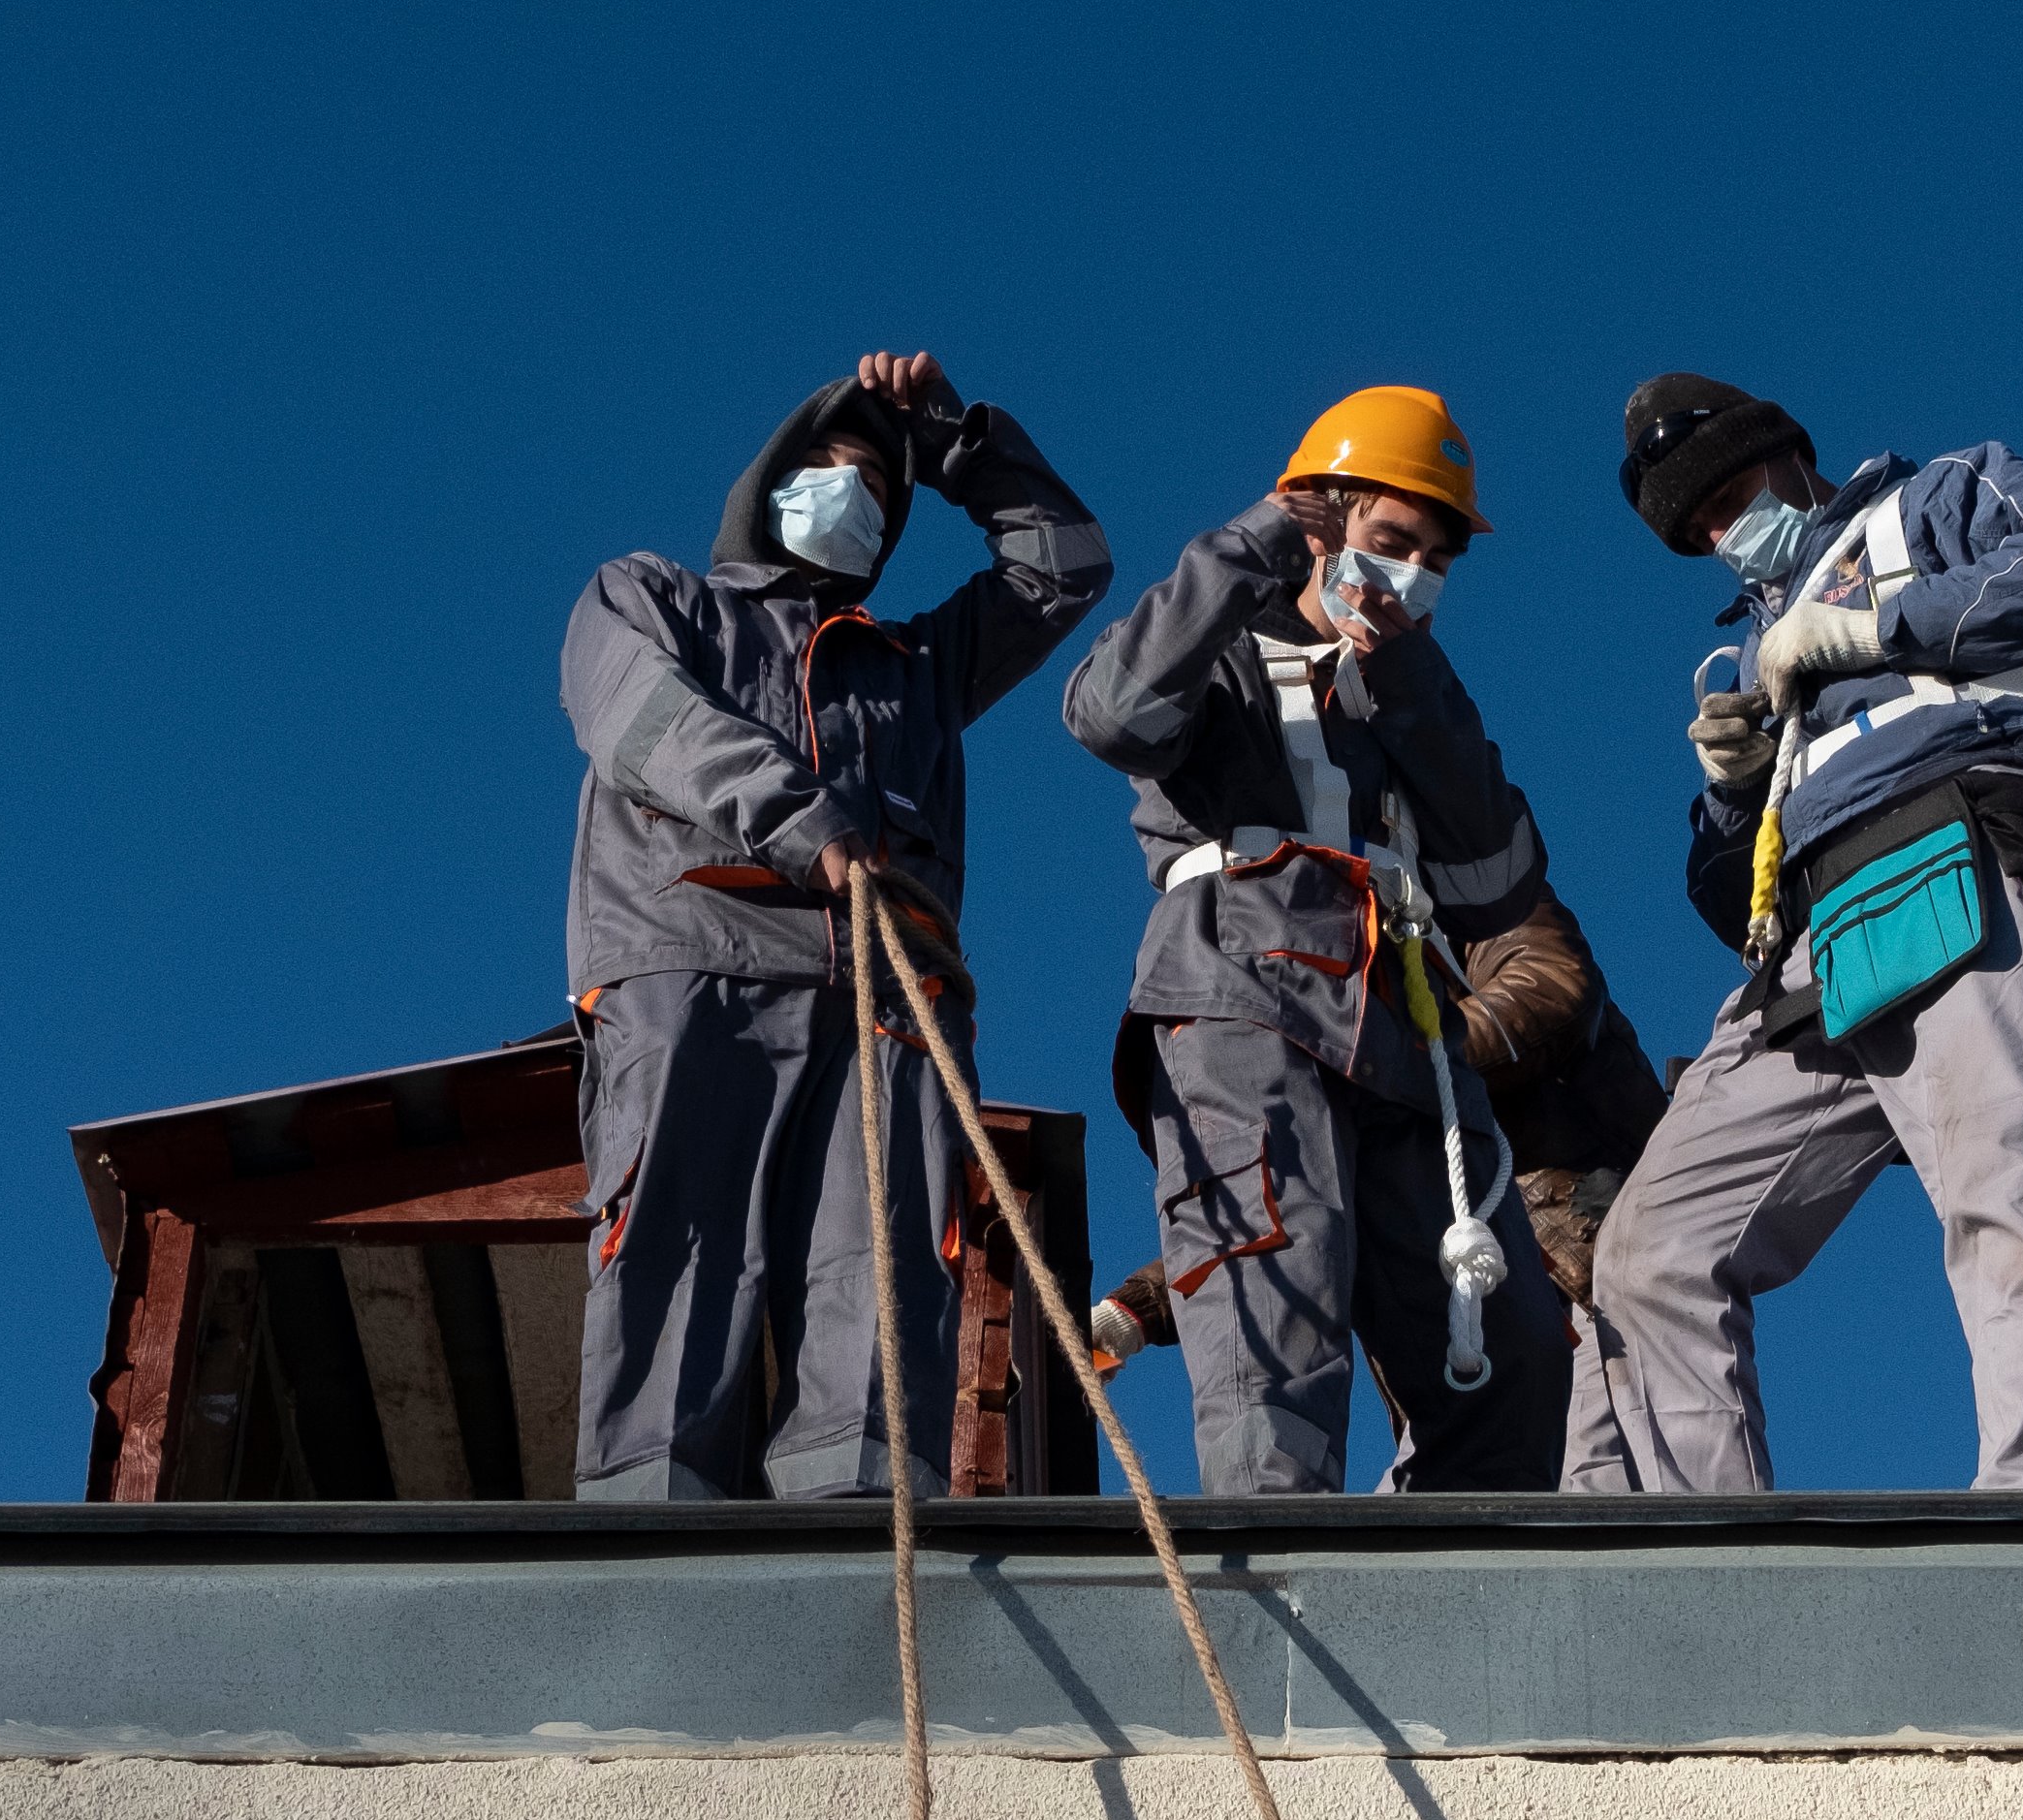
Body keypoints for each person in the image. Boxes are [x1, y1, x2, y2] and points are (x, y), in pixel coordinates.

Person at [554, 351, 1108, 1500]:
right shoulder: (653, 598)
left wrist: (953, 435)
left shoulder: (915, 666)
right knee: (681, 1238)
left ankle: (861, 1526)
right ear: (772, 482)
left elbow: (1065, 564)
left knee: (888, 1256)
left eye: (877, 479)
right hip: (694, 973)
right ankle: (648, 1519)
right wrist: (805, 821)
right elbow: (642, 719)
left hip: (889, 997)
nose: (853, 489)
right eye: (830, 464)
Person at [1581, 372, 2023, 1490]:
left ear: (1790, 451)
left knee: (2008, 1199)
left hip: (1957, 864)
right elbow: (1726, 896)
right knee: (1652, 1252)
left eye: (1731, 494)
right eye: (1697, 532)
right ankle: (1708, 1569)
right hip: (1814, 952)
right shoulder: (1749, 655)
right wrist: (1733, 797)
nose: (1723, 532)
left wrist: (1877, 627)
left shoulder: (1944, 496)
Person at [1060, 388, 1574, 1492]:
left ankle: (1465, 1602)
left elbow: (1496, 882)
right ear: (1322, 520)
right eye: (1393, 541)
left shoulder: (1413, 697)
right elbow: (1111, 715)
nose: (1415, 572)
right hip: (1238, 988)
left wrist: (1408, 683)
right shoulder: (1216, 650)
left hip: (1402, 1025)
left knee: (1508, 1340)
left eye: (1439, 555)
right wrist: (1254, 541)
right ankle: (1276, 1589)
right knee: (1273, 1309)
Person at [1084, 886, 1674, 1485]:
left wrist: (1383, 1051)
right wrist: (1139, 1306)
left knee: (1582, 1512)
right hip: (1464, 1354)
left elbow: (1555, 989)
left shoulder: (1469, 903)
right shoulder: (1354, 1020)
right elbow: (1289, 1211)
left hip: (1582, 1296)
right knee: (1420, 1537)